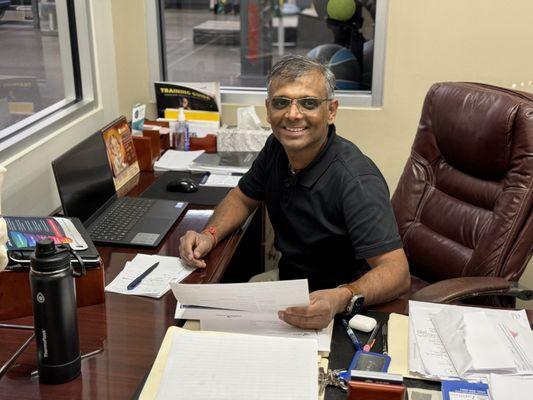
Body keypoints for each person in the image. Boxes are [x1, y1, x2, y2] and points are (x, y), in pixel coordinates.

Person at [179, 55, 410, 329]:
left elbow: (397, 272)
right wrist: (209, 235)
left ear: (331, 111)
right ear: (268, 109)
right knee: (197, 325)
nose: (293, 114)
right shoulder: (277, 148)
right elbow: (242, 198)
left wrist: (340, 297)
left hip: (340, 305)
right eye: (281, 102)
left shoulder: (356, 179)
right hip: (289, 286)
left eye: (309, 103)